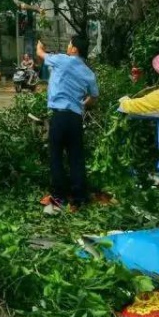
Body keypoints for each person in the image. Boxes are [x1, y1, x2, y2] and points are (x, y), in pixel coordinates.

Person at [37, 36, 99, 212]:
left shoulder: (62, 60)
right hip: (75, 118)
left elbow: (40, 54)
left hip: (60, 117)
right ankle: (79, 197)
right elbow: (94, 97)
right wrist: (81, 104)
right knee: (76, 157)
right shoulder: (88, 72)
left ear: (75, 49)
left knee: (56, 156)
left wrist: (40, 44)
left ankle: (59, 197)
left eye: (70, 44)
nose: (68, 47)